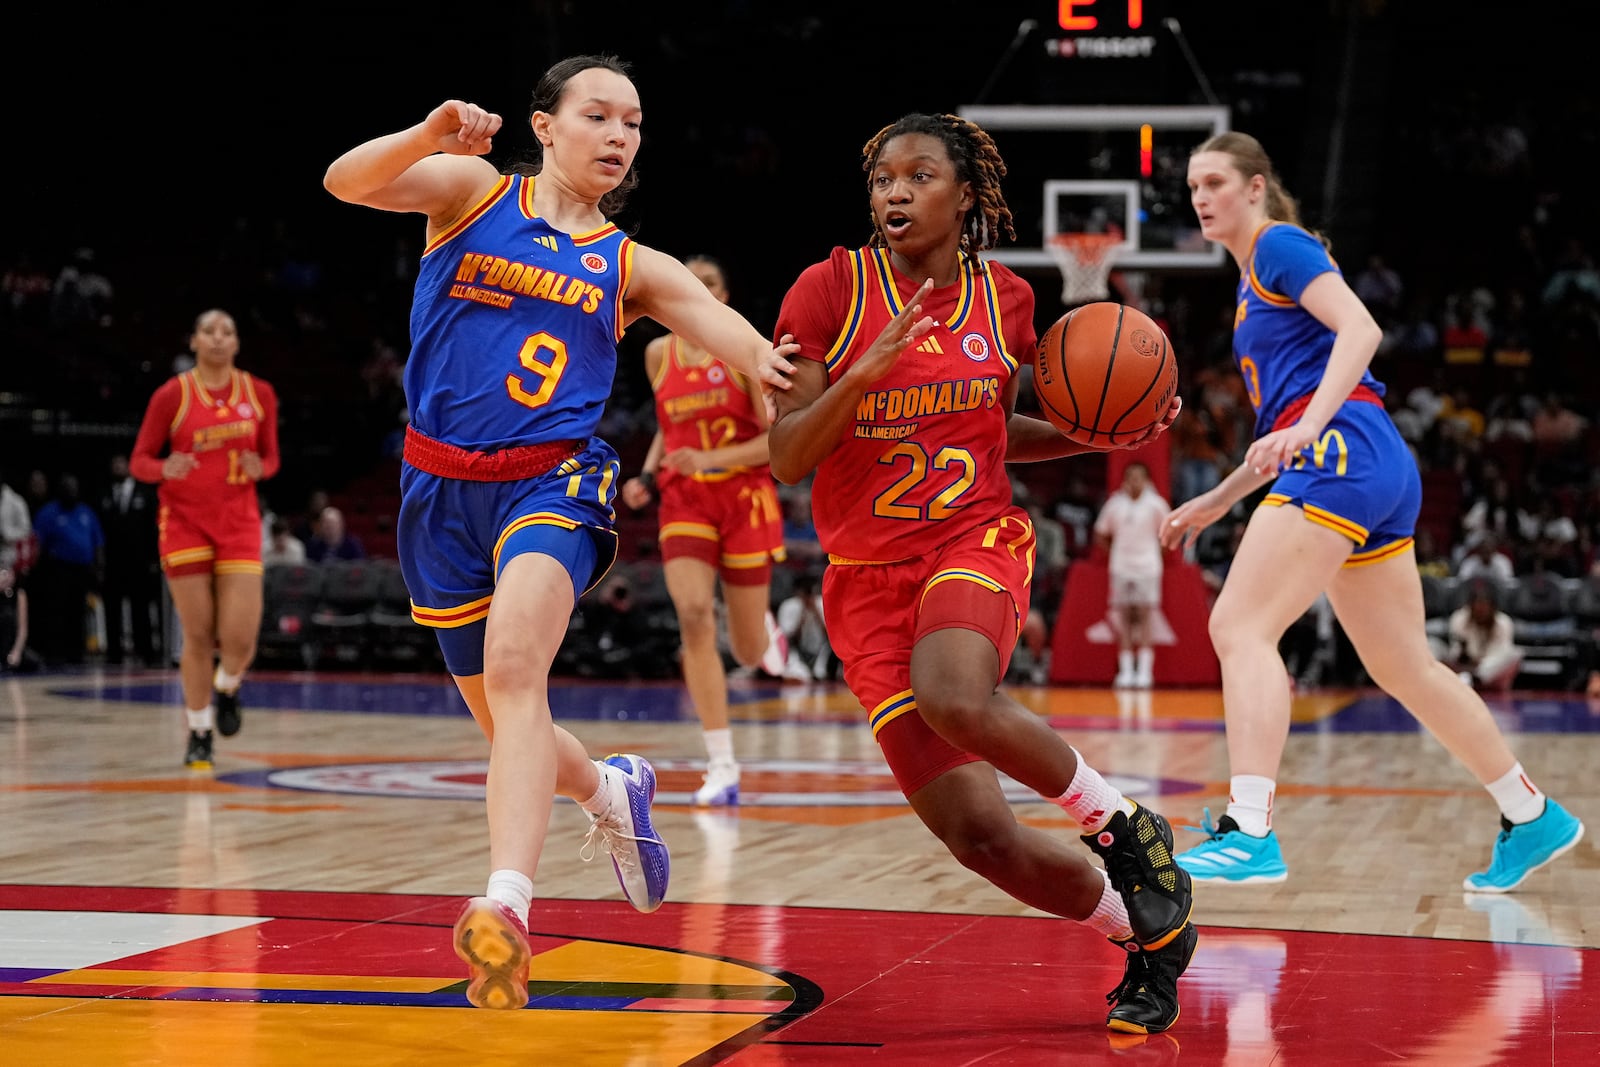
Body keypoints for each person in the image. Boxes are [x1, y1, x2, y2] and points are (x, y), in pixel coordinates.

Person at [323, 55, 800, 1010]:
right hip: (438, 490)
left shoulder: (630, 263)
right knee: (511, 723)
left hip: (555, 480)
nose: (619, 134)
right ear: (545, 126)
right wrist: (426, 133)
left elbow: (721, 323)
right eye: (598, 115)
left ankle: (507, 906)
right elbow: (345, 180)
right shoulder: (470, 192)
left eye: (632, 121)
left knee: (514, 673)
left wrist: (780, 367)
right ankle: (607, 791)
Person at [764, 111, 1193, 1035]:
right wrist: (861, 370)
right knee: (983, 839)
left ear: (966, 195)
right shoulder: (828, 289)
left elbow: (992, 435)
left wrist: (1095, 429)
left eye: (920, 176)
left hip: (973, 538)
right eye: (883, 177)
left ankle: (1126, 828)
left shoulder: (1005, 301)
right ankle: (1152, 936)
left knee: (954, 692)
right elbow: (789, 454)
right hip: (863, 578)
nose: (896, 192)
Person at [1162, 131, 1584, 891]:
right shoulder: (1251, 282)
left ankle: (1249, 827)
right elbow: (1277, 437)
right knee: (1405, 667)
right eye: (1194, 185)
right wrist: (1219, 498)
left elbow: (1363, 328)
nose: (1200, 196)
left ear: (1255, 188)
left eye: (1216, 181)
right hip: (1371, 461)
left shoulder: (1279, 245)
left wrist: (1312, 425)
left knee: (1239, 626)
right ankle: (1530, 813)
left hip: (1345, 449)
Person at [619, 254, 789, 807]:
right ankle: (721, 763)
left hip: (744, 496)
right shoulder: (656, 354)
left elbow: (777, 441)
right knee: (692, 616)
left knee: (746, 648)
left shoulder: (743, 353)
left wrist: (711, 462)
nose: (701, 289)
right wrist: (648, 474)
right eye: (694, 281)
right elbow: (670, 431)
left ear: (726, 294)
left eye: (712, 281)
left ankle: (762, 629)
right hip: (687, 499)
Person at [129, 309, 280, 770]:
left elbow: (271, 457)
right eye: (209, 331)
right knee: (197, 633)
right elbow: (139, 460)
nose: (218, 338)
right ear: (193, 341)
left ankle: (228, 685)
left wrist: (264, 469)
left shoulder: (259, 394)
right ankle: (199, 732)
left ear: (237, 343)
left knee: (239, 638)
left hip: (238, 522)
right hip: (184, 522)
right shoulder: (172, 395)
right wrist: (161, 468)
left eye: (227, 331)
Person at [1093, 461, 1172, 689]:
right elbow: (1100, 532)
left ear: (1147, 480)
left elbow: (1168, 533)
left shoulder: (1156, 504)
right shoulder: (1115, 504)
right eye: (1130, 477)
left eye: (1139, 477)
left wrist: (1157, 554)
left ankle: (1145, 672)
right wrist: (1115, 553)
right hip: (1121, 567)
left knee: (1146, 616)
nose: (1134, 481)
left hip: (1147, 567)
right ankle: (1126, 671)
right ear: (1125, 479)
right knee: (1125, 617)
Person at [30, 472, 103, 666]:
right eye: (67, 488)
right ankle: (56, 653)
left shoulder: (86, 512)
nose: (71, 491)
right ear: (60, 490)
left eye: (74, 488)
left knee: (78, 611)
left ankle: (77, 653)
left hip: (82, 569)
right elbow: (36, 543)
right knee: (57, 612)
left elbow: (98, 542)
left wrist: (99, 567)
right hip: (58, 570)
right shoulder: (48, 512)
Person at [97, 453, 162, 666]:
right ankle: (114, 653)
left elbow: (154, 529)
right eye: (114, 463)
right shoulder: (104, 495)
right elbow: (100, 532)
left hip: (139, 562)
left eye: (120, 463)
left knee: (141, 608)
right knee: (112, 608)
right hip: (113, 562)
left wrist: (154, 558)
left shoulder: (145, 493)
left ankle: (146, 652)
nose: (117, 467)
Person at [1441, 584, 1523, 692]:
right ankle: (1467, 679)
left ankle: (1475, 679)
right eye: (1478, 608)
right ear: (1471, 607)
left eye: (1484, 607)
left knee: (1515, 653)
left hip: (1490, 672)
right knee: (1435, 646)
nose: (1481, 612)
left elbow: (1502, 653)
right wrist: (1466, 659)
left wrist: (1482, 664)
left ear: (1492, 608)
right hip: (1464, 667)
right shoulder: (1459, 618)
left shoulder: (1503, 622)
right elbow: (1455, 651)